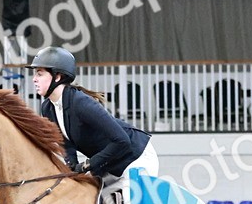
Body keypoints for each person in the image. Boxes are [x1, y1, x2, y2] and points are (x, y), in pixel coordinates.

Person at [28, 45, 159, 195]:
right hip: (109, 164)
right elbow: (65, 144)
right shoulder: (48, 108)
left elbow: (122, 141)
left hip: (135, 158)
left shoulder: (80, 103)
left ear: (57, 77)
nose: (34, 79)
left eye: (39, 74)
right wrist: (72, 167)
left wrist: (87, 165)